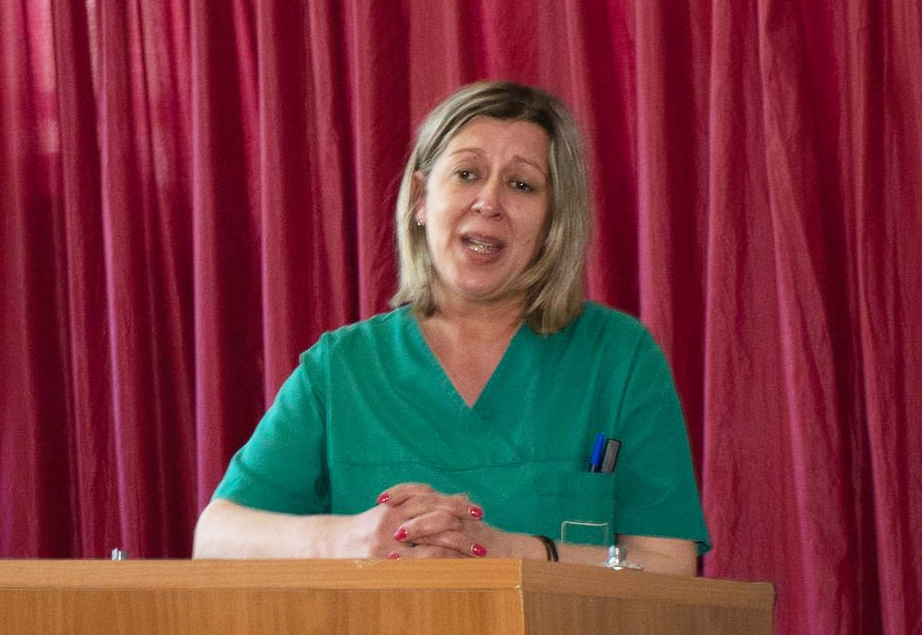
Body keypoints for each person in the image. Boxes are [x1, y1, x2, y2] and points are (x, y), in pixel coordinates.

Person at [193, 81, 710, 574]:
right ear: (421, 198)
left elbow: (669, 565)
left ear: (553, 220)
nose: (489, 202)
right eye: (466, 174)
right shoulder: (341, 368)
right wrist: (349, 538)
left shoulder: (619, 357)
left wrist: (512, 551)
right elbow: (215, 538)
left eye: (521, 184)